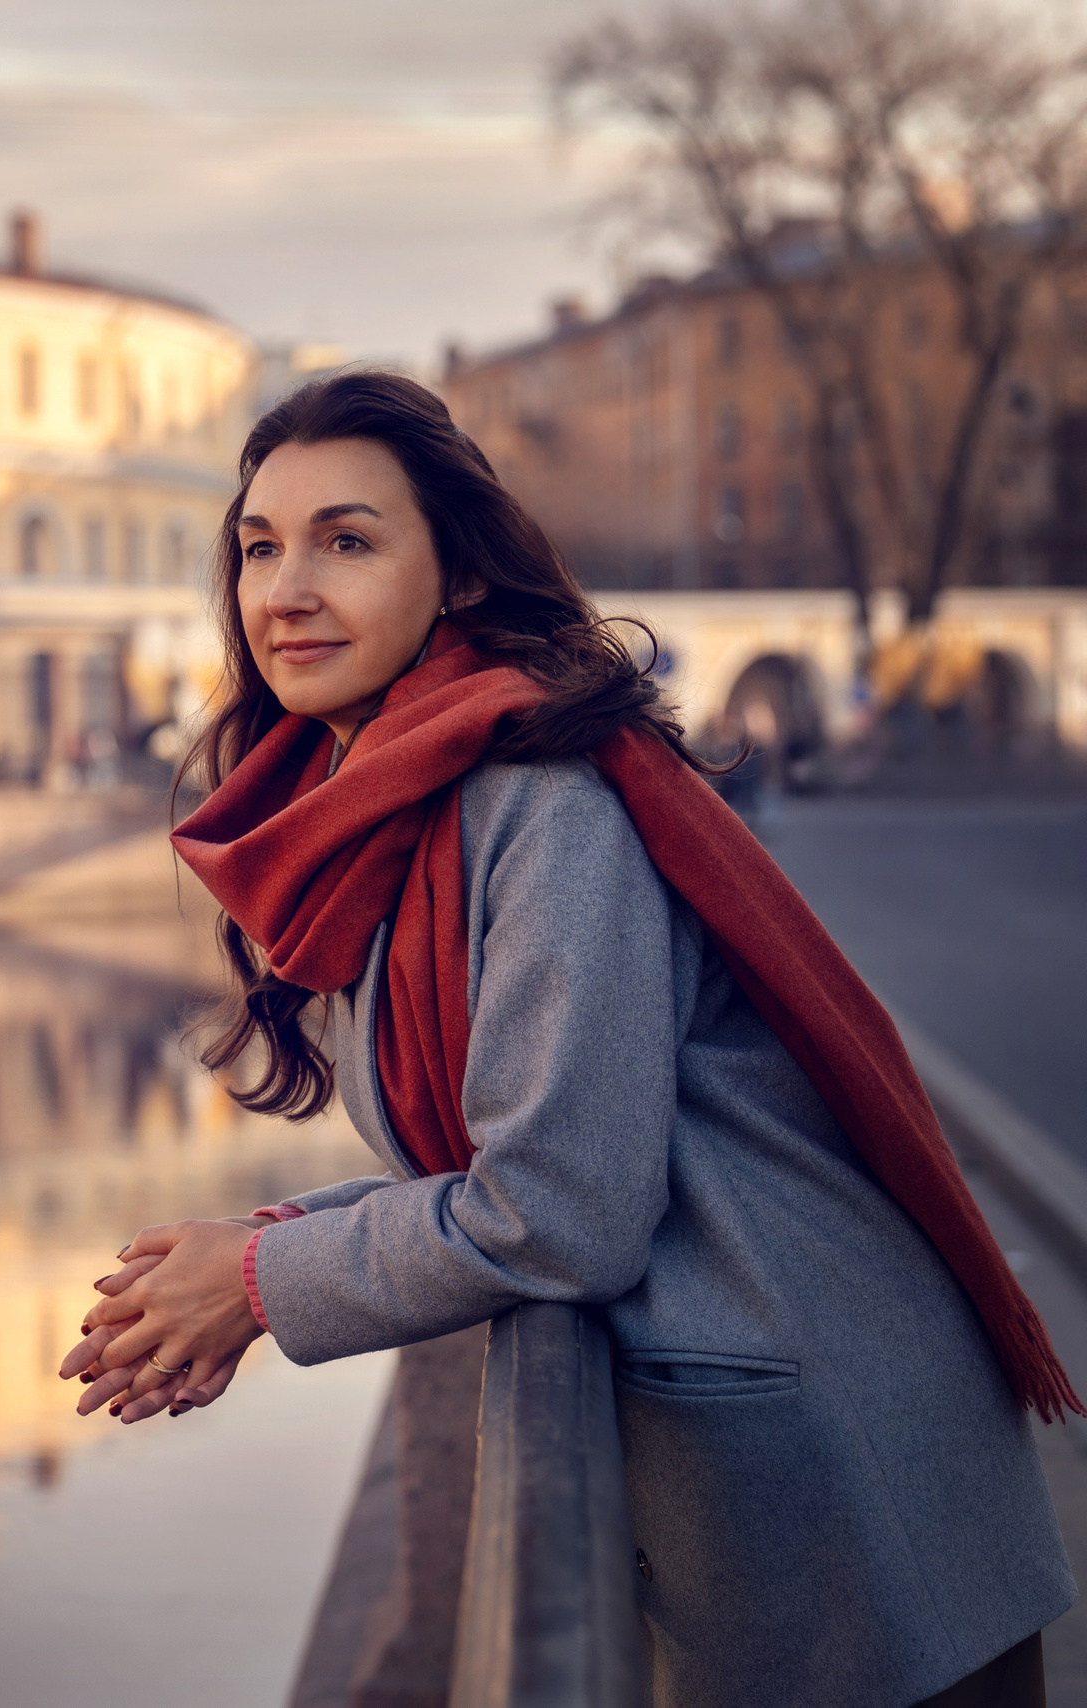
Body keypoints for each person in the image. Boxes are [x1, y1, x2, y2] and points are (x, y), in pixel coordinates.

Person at [58, 371, 1074, 1707]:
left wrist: (259, 1287)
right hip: (771, 1479)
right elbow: (519, 1146)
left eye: (347, 541)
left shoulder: (541, 803)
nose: (285, 588)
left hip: (848, 1490)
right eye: (260, 546)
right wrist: (264, 1245)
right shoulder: (382, 808)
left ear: (460, 579)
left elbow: (558, 1209)